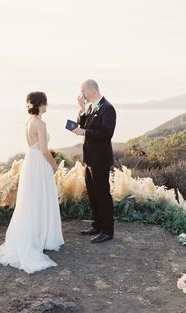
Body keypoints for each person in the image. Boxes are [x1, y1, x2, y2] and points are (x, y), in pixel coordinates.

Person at [0, 91, 64, 273]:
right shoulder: (40, 123)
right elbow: (44, 150)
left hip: (30, 162)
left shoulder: (28, 122)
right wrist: (56, 167)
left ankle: (35, 235)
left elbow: (33, 147)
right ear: (41, 104)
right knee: (41, 198)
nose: (47, 106)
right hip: (39, 164)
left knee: (31, 200)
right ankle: (42, 237)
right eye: (46, 103)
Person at [73, 79, 116, 243]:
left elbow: (106, 133)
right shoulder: (91, 107)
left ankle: (107, 230)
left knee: (102, 194)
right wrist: (82, 110)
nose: (80, 93)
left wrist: (85, 132)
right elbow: (84, 125)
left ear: (91, 90)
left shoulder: (107, 108)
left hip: (100, 159)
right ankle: (97, 225)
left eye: (82, 90)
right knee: (93, 194)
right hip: (89, 158)